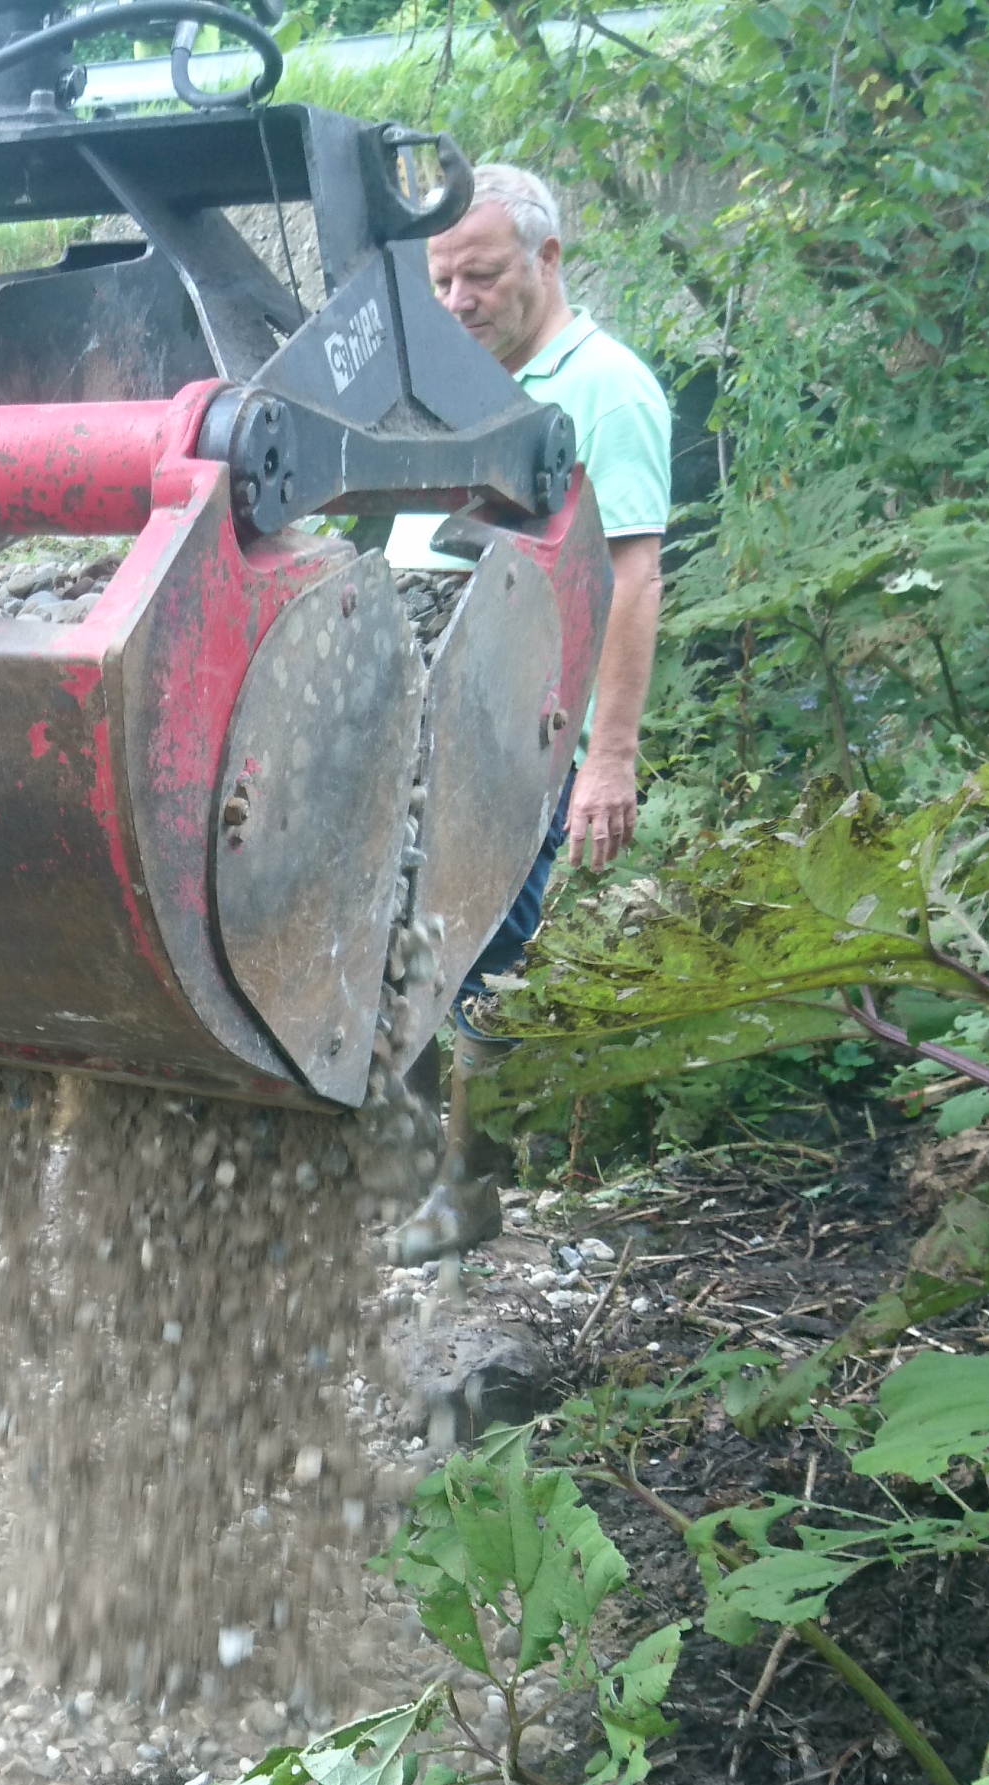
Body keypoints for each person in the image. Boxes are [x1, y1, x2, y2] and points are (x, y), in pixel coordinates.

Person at [395, 162, 673, 1262]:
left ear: (549, 261)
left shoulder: (605, 387)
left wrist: (610, 756)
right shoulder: (454, 384)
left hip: (525, 724)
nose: (458, 301)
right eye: (441, 280)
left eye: (482, 276)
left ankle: (469, 1191)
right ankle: (403, 1176)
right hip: (423, 709)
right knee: (402, 942)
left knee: (483, 952)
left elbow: (634, 577)